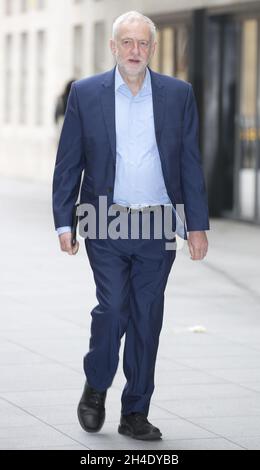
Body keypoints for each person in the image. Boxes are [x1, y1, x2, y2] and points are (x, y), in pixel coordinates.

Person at [52, 11, 209, 441]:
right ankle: (97, 382)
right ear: (113, 47)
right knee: (114, 308)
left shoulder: (179, 95)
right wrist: (63, 222)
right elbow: (69, 163)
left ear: (152, 49)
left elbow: (190, 164)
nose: (135, 51)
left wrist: (197, 224)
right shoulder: (86, 94)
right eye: (127, 43)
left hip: (158, 224)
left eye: (143, 43)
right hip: (104, 221)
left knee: (146, 318)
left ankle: (135, 412)